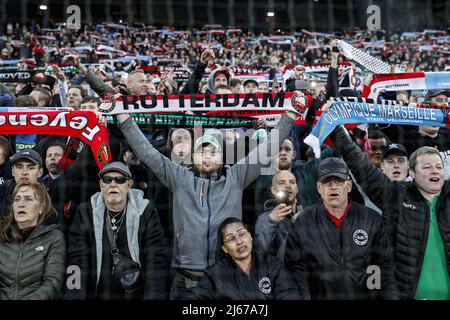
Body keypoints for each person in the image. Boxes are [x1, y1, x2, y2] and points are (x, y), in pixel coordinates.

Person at [116, 110, 296, 298]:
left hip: (228, 281)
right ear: (193, 157)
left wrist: (290, 115)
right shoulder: (180, 178)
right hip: (186, 281)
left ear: (222, 157)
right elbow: (148, 153)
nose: (208, 156)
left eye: (213, 152)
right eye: (202, 152)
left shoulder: (235, 177)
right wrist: (123, 119)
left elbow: (267, 149)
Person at [330, 124, 450, 300]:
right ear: (412, 173)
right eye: (427, 167)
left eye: (439, 167)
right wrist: (335, 128)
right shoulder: (396, 195)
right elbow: (360, 165)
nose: (435, 171)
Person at [284, 157, 399, 300]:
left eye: (339, 181)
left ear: (349, 186)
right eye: (327, 182)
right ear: (319, 188)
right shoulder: (303, 223)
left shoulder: (371, 219)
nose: (333, 187)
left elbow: (383, 269)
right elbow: (296, 273)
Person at [65, 161, 168, 300]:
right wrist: (74, 296)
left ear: (129, 185)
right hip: (96, 294)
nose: (113, 184)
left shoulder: (146, 212)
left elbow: (155, 261)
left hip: (135, 294)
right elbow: (76, 262)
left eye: (120, 180)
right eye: (107, 180)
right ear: (101, 186)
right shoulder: (85, 213)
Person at [186, 217, 301, 300]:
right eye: (231, 239)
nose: (239, 241)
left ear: (250, 236)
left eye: (242, 234)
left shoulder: (271, 264)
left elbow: (289, 293)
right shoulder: (215, 275)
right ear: (224, 248)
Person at [0, 181, 66, 299]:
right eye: (17, 199)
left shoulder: (54, 238)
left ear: (41, 208)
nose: (21, 204)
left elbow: (52, 284)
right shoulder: (2, 236)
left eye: (28, 199)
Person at [255, 170, 302, 259]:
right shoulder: (264, 219)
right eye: (281, 183)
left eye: (292, 182)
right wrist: (271, 222)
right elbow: (260, 253)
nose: (288, 186)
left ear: (297, 188)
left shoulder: (308, 215)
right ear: (273, 190)